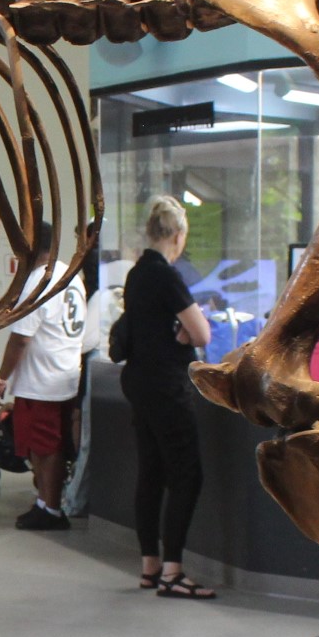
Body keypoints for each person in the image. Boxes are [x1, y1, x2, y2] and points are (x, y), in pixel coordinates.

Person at [118, 195, 215, 597]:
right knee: (187, 474)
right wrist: (186, 332)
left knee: (151, 473)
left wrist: (178, 330)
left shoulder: (137, 273)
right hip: (166, 385)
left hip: (139, 380)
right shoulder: (166, 275)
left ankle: (150, 567)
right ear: (177, 235)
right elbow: (202, 333)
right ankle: (174, 572)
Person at [0, 232, 87, 531]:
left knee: (46, 447)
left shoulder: (38, 280)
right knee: (44, 445)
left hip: (42, 381)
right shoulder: (70, 274)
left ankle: (51, 508)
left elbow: (20, 338)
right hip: (62, 374)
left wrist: (1, 378)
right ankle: (44, 503)